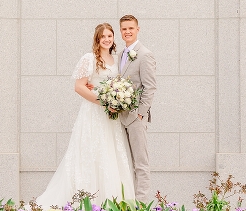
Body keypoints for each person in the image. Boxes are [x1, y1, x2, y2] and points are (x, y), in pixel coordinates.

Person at [35, 23, 136, 207]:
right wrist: (105, 102)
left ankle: (112, 202)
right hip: (94, 113)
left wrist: (117, 101)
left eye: (109, 36)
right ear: (97, 39)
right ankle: (87, 201)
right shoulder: (89, 58)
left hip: (111, 117)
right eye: (103, 36)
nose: (106, 39)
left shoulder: (117, 59)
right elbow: (79, 87)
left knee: (110, 154)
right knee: (92, 153)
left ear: (114, 38)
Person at [116, 14, 157, 203]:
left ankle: (141, 203)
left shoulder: (145, 54)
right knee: (125, 162)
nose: (127, 32)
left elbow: (150, 87)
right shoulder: (120, 55)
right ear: (120, 31)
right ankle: (128, 201)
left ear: (137, 29)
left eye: (131, 28)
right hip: (120, 117)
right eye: (124, 29)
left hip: (136, 118)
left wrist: (140, 114)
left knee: (141, 163)